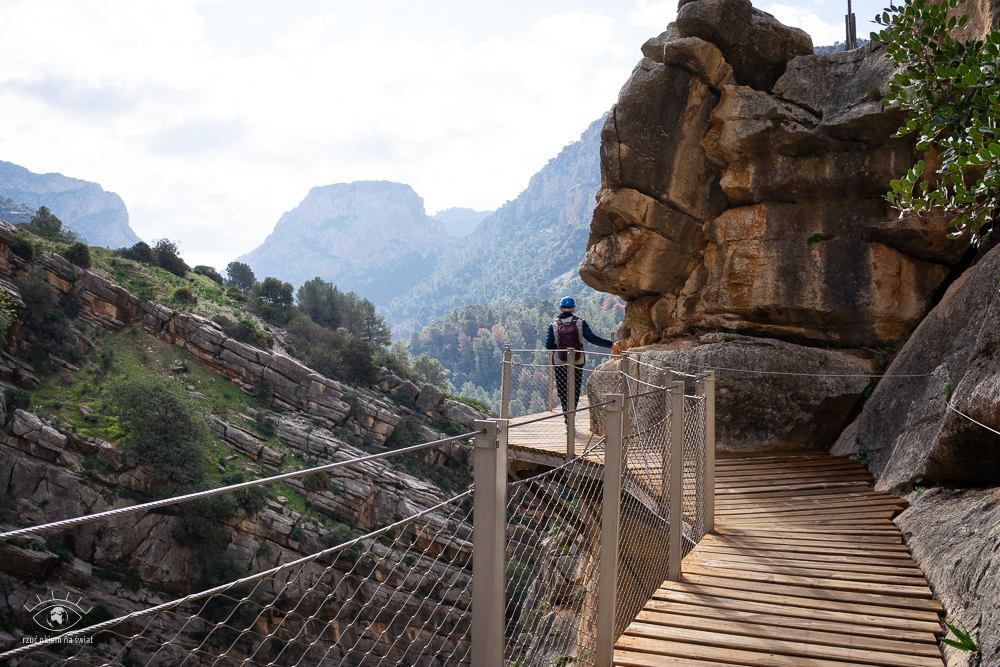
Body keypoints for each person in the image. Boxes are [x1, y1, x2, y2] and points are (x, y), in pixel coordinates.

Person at [544, 297, 615, 416]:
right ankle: (572, 415)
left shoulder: (553, 325)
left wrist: (560, 345)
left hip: (560, 362)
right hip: (577, 361)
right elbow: (593, 339)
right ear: (573, 309)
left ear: (561, 309)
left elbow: (549, 346)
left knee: (562, 390)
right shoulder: (580, 323)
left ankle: (567, 417)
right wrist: (611, 345)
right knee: (575, 389)